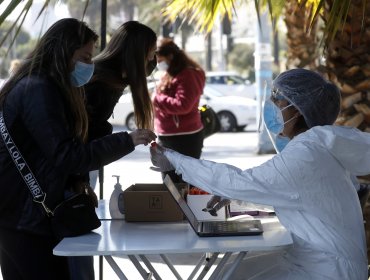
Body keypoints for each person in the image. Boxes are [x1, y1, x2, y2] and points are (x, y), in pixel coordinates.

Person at [151, 68, 369, 279]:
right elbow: (293, 195)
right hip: (319, 261)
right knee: (229, 273)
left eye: (278, 99)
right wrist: (237, 195)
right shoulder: (315, 146)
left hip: (329, 270)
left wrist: (175, 160)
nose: (271, 105)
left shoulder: (307, 154)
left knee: (229, 274)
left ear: (298, 109)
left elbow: (239, 181)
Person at [0, 18, 156, 280]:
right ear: (63, 51)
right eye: (84, 56)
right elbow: (68, 155)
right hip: (25, 216)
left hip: (20, 212)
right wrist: (126, 140)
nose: (90, 65)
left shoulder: (38, 85)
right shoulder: (38, 90)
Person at [84, 20, 157, 188]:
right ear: (138, 54)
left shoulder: (112, 77)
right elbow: (82, 142)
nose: (153, 60)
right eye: (152, 53)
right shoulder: (101, 83)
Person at [152, 38, 205, 184]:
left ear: (170, 56)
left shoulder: (188, 74)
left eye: (158, 59)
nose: (157, 64)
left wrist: (157, 99)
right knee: (169, 184)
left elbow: (184, 105)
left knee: (182, 184)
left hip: (184, 139)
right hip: (166, 137)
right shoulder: (170, 74)